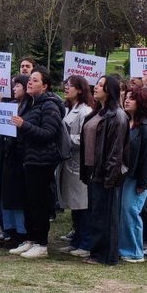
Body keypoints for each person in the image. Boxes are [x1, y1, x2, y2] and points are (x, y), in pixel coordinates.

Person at [10, 67, 64, 260]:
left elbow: (49, 134)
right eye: (29, 80)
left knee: (39, 204)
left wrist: (24, 125)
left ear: (45, 85)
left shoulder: (49, 105)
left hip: (43, 162)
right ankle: (31, 239)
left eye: (35, 80)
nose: (29, 82)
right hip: (29, 159)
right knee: (28, 201)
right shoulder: (32, 104)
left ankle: (42, 244)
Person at [79, 74, 129, 265]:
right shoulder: (97, 113)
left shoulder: (117, 116)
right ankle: (97, 251)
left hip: (106, 172)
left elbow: (116, 151)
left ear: (110, 91)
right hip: (93, 169)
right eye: (97, 84)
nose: (96, 88)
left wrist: (110, 176)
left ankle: (105, 255)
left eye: (101, 85)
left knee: (106, 215)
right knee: (96, 214)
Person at [57, 75, 94, 256]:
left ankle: (86, 243)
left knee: (82, 203)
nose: (66, 88)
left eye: (70, 86)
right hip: (68, 161)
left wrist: (64, 139)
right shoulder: (68, 109)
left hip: (78, 162)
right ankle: (77, 240)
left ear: (80, 89)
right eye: (66, 85)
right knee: (73, 203)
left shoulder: (85, 111)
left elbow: (85, 138)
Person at [119, 87, 147, 262]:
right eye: (126, 97)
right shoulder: (127, 122)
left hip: (139, 178)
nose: (127, 101)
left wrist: (142, 183)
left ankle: (134, 251)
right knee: (124, 212)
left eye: (132, 98)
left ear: (140, 103)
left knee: (131, 211)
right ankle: (123, 247)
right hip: (126, 175)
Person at [0, 75, 28, 248]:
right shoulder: (13, 106)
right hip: (9, 154)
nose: (14, 89)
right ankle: (12, 231)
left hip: (20, 156)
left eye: (17, 86)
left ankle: (21, 233)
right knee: (8, 195)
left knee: (18, 198)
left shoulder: (28, 107)